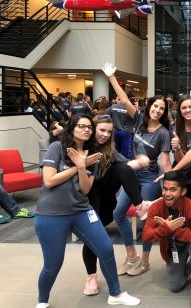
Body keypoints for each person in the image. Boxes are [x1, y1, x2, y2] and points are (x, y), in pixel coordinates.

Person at [36, 114, 140, 308]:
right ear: (72, 128)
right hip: (51, 214)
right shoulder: (57, 148)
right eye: (82, 126)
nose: (86, 130)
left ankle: (115, 294)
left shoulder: (91, 154)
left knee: (106, 248)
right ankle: (42, 301)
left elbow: (85, 189)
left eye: (89, 127)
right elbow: (49, 181)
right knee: (52, 265)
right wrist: (78, 166)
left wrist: (84, 166)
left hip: (81, 210)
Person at [102, 63, 173, 277]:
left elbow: (165, 160)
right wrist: (112, 77)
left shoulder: (163, 133)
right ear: (149, 106)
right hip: (131, 174)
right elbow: (124, 99)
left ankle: (145, 259)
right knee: (118, 213)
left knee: (146, 220)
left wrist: (167, 179)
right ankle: (131, 254)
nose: (157, 110)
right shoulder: (140, 119)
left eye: (161, 108)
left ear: (164, 112)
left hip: (150, 178)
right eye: (155, 106)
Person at [81, 114, 151, 296]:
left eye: (108, 132)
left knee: (124, 168)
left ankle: (140, 206)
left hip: (106, 201)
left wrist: (139, 162)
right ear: (93, 129)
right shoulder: (84, 147)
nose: (105, 135)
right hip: (88, 200)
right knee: (93, 238)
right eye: (101, 130)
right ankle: (91, 277)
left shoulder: (109, 149)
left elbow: (124, 166)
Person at [142, 170, 191, 308]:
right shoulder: (156, 207)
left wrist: (174, 230)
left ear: (183, 191)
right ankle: (189, 268)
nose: (167, 194)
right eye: (165, 188)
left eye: (172, 189)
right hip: (174, 248)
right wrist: (165, 229)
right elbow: (146, 236)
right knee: (174, 286)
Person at [106, 92, 137, 159]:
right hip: (126, 133)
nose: (119, 100)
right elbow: (136, 119)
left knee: (115, 152)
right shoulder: (130, 108)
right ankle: (126, 167)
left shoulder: (112, 107)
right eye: (118, 99)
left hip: (115, 132)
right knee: (126, 154)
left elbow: (105, 116)